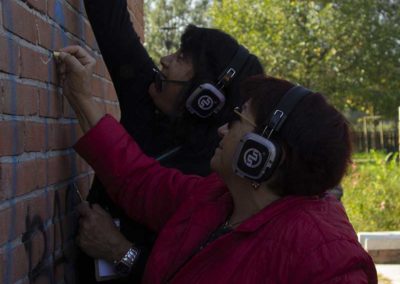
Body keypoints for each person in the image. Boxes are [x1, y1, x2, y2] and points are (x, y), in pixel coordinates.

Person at [56, 46, 377, 283]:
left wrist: (123, 254)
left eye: (237, 120)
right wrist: (82, 98)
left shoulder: (326, 259)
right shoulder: (217, 197)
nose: (223, 129)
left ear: (262, 153)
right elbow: (141, 182)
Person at [78, 0, 264, 281]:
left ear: (206, 97)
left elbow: (194, 273)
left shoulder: (218, 178)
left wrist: (121, 250)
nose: (164, 59)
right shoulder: (150, 94)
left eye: (181, 58)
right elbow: (109, 17)